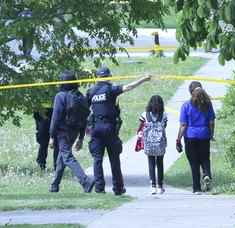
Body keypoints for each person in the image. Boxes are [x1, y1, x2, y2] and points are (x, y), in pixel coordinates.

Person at [87, 66, 151, 195]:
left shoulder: (91, 91)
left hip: (96, 129)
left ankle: (99, 188)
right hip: (109, 128)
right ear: (109, 76)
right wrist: (143, 79)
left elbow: (84, 109)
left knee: (97, 159)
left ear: (98, 77)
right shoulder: (110, 89)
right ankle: (118, 188)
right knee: (114, 159)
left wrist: (85, 130)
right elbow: (128, 87)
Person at [49, 70, 95, 193]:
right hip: (74, 131)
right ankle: (54, 186)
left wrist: (52, 136)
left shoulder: (60, 96)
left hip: (63, 131)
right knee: (62, 157)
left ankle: (86, 181)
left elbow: (55, 117)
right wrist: (80, 138)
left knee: (67, 157)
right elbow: (85, 117)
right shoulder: (80, 96)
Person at [176, 81, 215, 193]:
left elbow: (183, 125)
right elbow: (211, 122)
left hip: (190, 136)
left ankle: (196, 188)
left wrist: (178, 139)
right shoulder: (208, 105)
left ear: (190, 92)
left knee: (194, 162)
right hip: (204, 135)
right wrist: (211, 134)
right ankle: (206, 174)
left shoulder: (186, 105)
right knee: (205, 158)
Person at [137, 95, 168, 195]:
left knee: (151, 163)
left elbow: (140, 127)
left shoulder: (144, 115)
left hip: (149, 143)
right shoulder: (164, 115)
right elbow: (165, 126)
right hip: (160, 143)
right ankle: (160, 186)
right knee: (160, 163)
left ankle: (152, 185)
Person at [33, 106, 59, 170]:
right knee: (43, 142)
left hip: (55, 113)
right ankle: (41, 164)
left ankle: (57, 167)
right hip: (42, 113)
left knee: (57, 143)